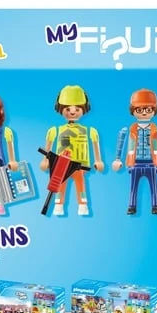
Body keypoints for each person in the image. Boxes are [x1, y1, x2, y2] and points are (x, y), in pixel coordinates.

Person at [39, 85, 104, 216]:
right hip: (61, 165)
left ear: (84, 109)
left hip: (80, 165)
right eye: (68, 109)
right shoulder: (56, 130)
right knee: (60, 184)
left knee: (80, 184)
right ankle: (58, 205)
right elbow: (48, 148)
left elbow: (95, 145)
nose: (72, 112)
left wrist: (98, 161)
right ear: (60, 109)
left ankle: (83, 205)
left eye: (77, 109)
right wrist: (45, 160)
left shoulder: (89, 131)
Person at [112, 89, 157, 215]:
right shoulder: (130, 129)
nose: (144, 113)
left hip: (152, 163)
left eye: (148, 109)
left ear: (154, 110)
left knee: (154, 187)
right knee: (133, 187)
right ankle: (132, 205)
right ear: (133, 110)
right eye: (140, 110)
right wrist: (118, 159)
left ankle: (155, 206)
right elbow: (121, 141)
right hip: (135, 163)